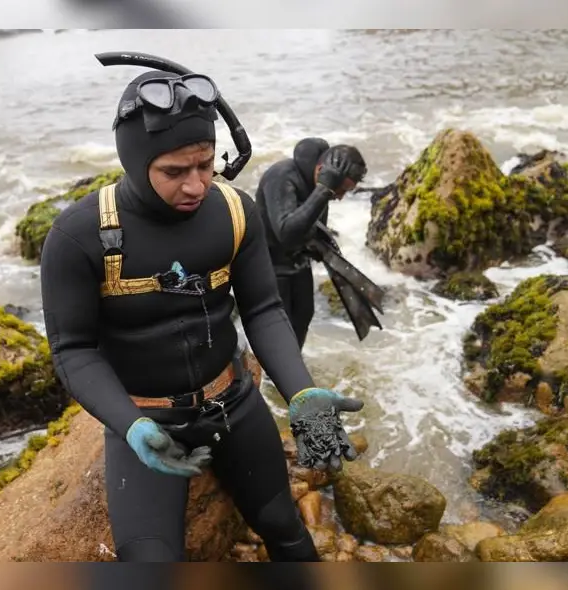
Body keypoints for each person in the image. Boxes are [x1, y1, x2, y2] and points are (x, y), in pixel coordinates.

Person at [39, 56, 365, 563]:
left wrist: (301, 390)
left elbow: (262, 310)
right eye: (174, 171)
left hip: (231, 403)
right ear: (133, 160)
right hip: (147, 420)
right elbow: (73, 350)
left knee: (285, 528)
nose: (195, 184)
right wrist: (131, 425)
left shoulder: (235, 211)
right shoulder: (79, 236)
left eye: (205, 163)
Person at [255, 139, 368, 349]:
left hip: (299, 263)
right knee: (281, 328)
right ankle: (275, 377)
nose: (340, 197)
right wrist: (324, 190)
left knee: (303, 317)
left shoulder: (319, 184)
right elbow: (286, 233)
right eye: (340, 190)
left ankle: (293, 371)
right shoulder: (282, 176)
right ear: (320, 170)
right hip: (271, 267)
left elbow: (313, 226)